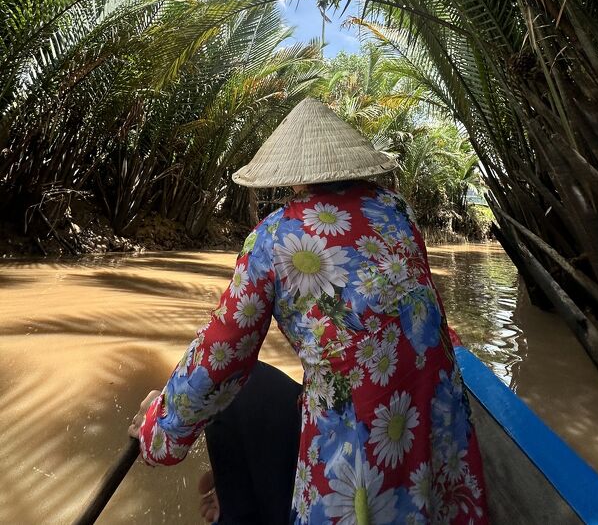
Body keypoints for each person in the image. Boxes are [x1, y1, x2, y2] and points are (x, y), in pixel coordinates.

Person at [129, 97, 488, 523]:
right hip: (439, 433)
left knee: (241, 386)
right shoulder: (398, 212)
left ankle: (230, 499)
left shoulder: (274, 238)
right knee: (257, 386)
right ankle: (229, 494)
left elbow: (221, 353)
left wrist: (158, 428)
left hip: (361, 460)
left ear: (293, 180)